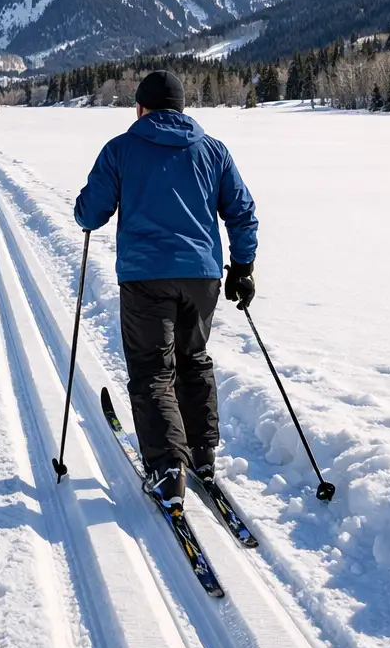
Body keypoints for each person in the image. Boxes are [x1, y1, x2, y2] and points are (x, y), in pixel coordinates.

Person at [74, 70, 257, 514]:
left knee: (153, 370)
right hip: (202, 278)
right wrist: (243, 268)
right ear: (180, 108)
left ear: (140, 107)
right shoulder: (212, 149)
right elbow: (242, 212)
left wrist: (87, 208)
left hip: (145, 278)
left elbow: (90, 214)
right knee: (193, 360)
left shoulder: (120, 149)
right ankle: (202, 453)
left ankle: (167, 468)